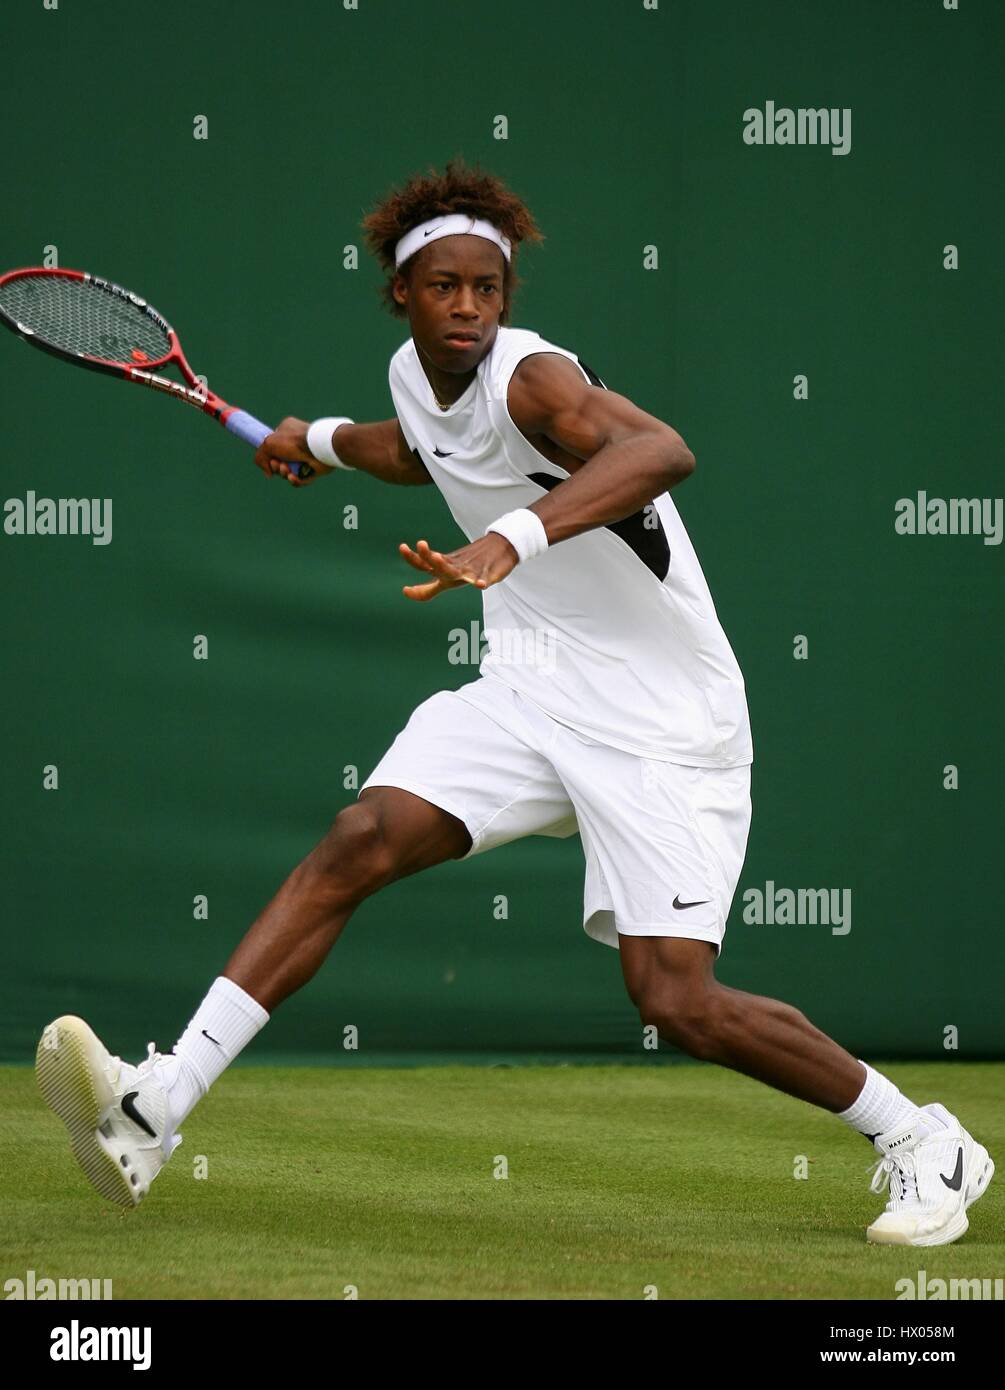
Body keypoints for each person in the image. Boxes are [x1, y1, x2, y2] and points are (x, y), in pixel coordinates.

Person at [36, 158, 992, 1247]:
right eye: (445, 287)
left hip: (663, 721)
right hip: (530, 688)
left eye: (488, 289)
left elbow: (661, 450)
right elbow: (420, 448)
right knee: (361, 837)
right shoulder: (411, 373)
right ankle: (155, 1108)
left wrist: (512, 537)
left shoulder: (535, 377)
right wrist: (322, 444)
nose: (469, 309)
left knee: (676, 1000)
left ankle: (922, 1136)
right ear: (401, 290)